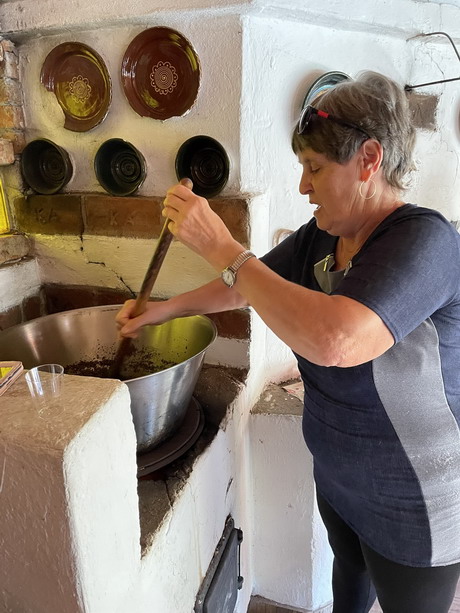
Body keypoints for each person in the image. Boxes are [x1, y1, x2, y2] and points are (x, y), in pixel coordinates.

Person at [116, 71, 460, 613]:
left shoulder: (426, 240)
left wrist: (224, 248)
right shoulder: (323, 237)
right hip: (339, 477)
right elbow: (244, 287)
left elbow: (337, 341)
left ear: (369, 160)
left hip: (415, 497)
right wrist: (163, 309)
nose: (304, 186)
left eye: (315, 168)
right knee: (349, 584)